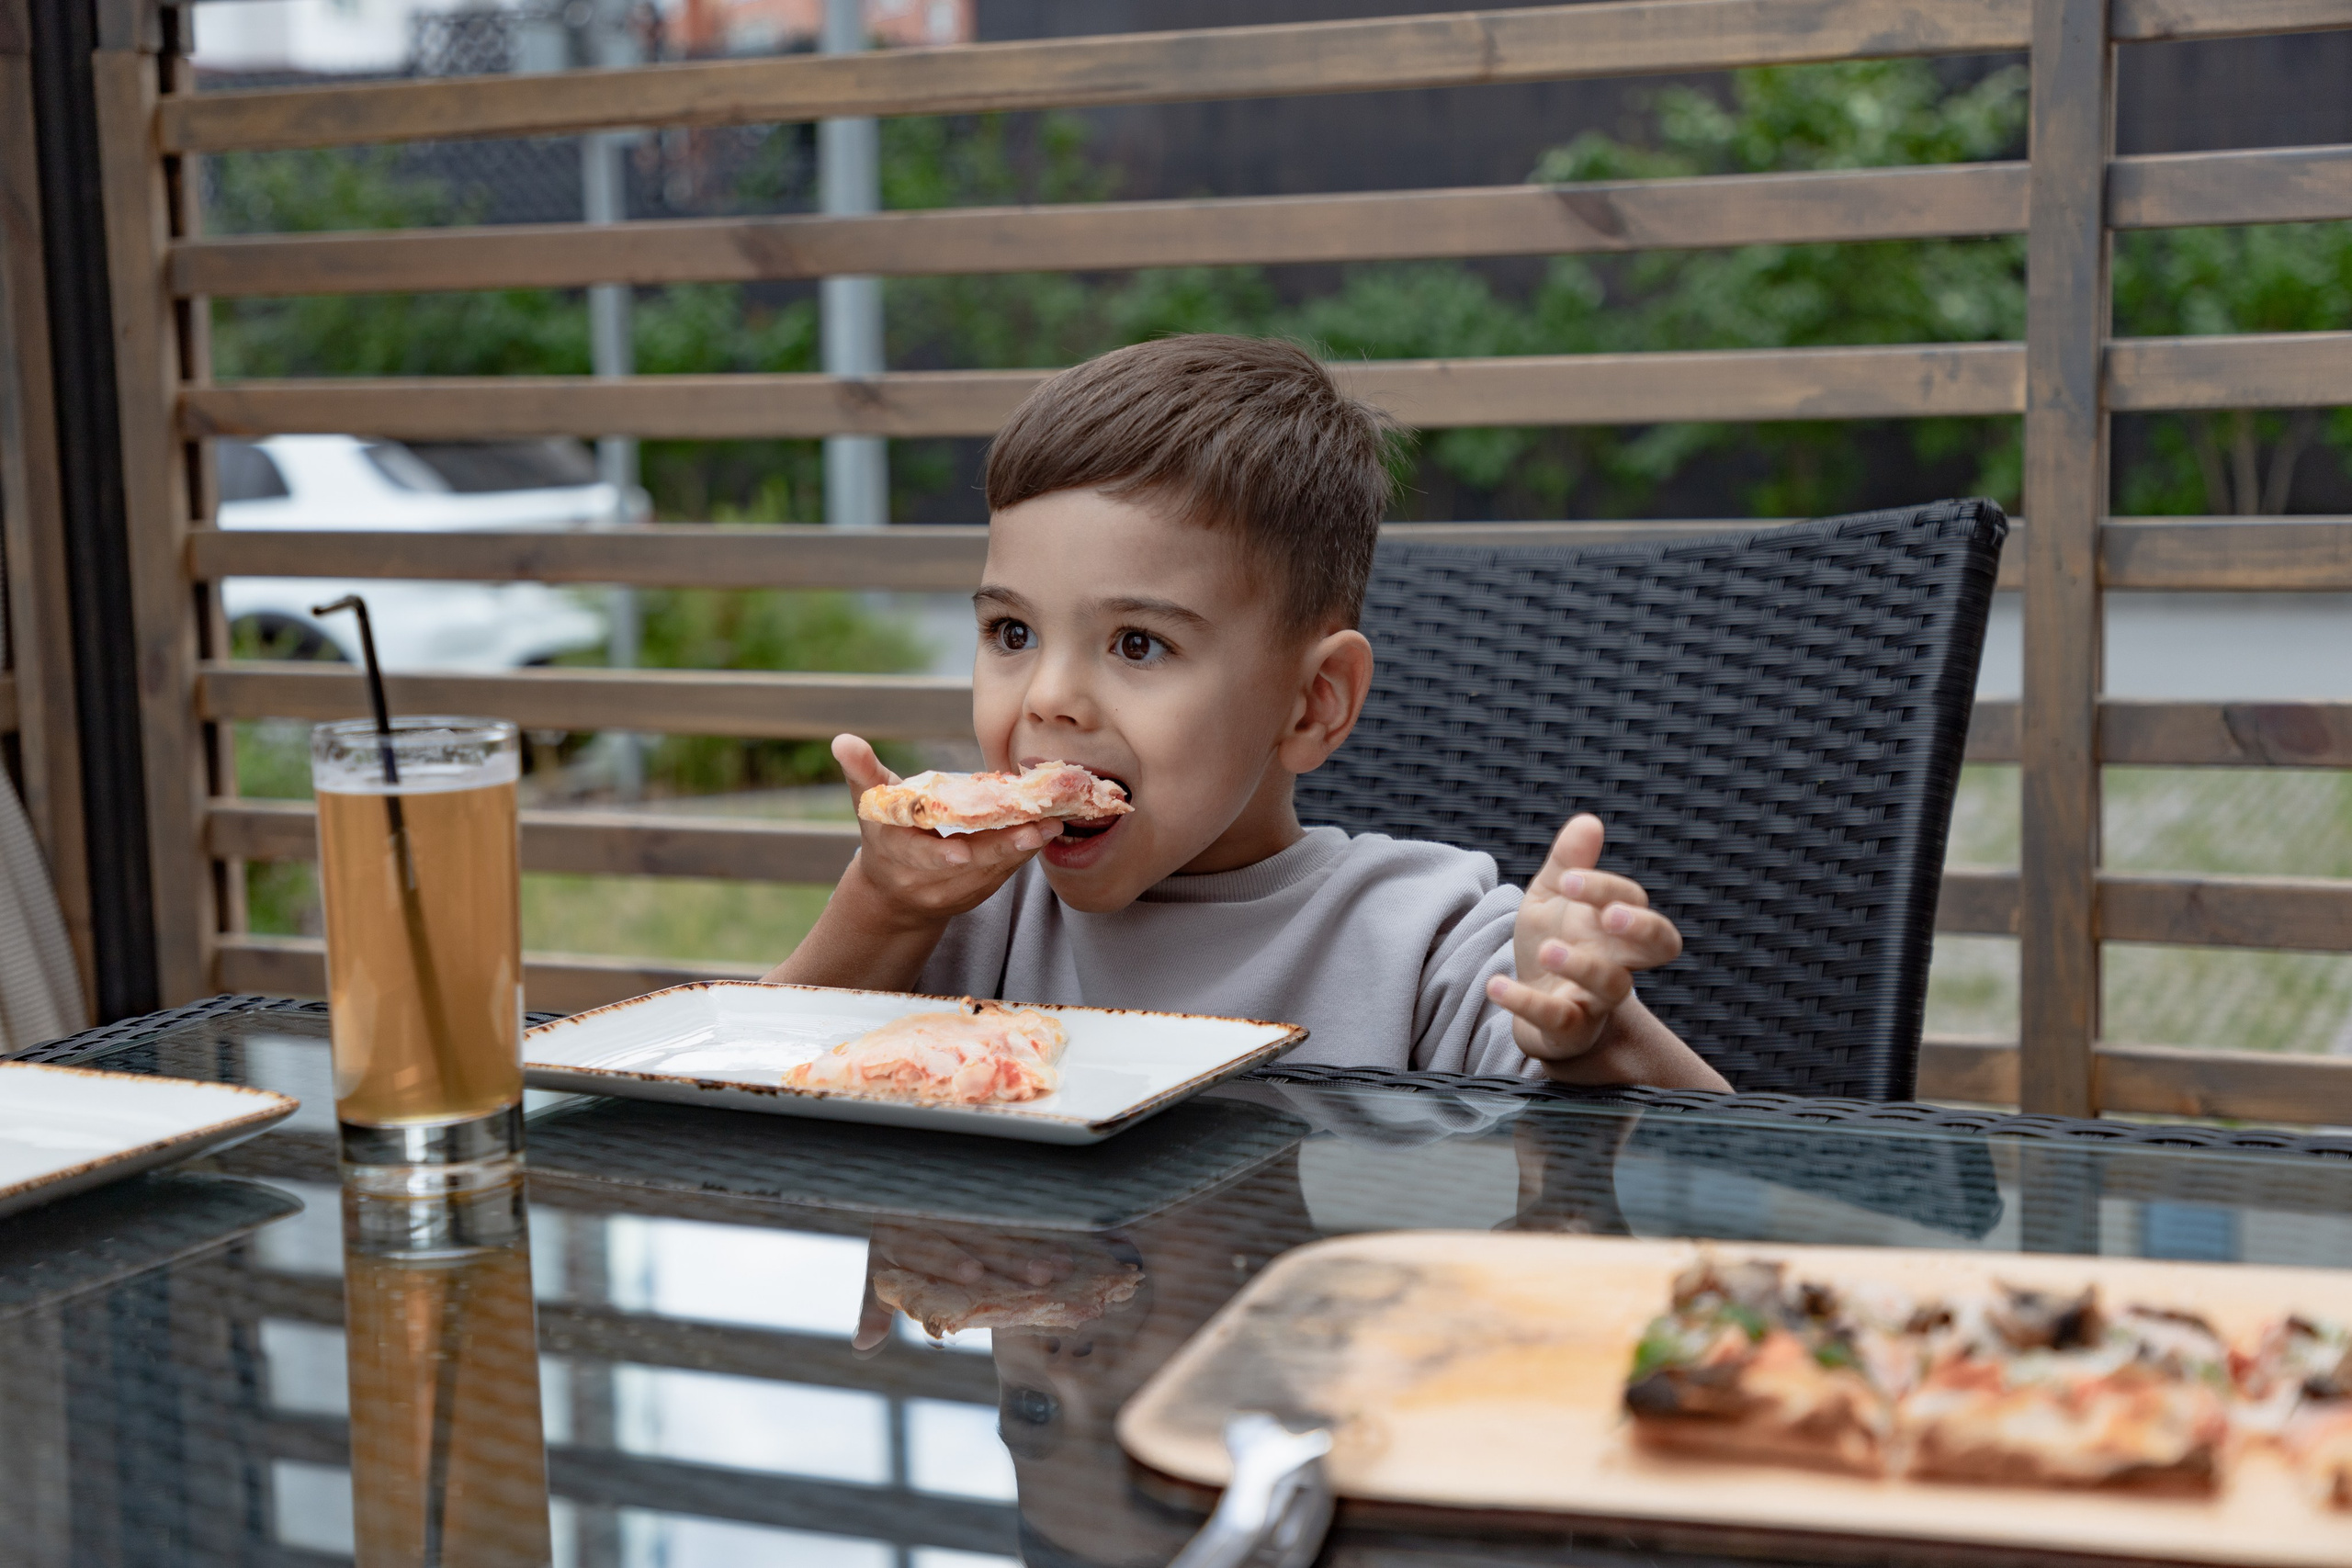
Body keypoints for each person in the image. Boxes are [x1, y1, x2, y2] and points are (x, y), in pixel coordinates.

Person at [769, 333, 1730, 1090]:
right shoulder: (973, 914)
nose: (1049, 698)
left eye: (1137, 643)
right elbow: (750, 1092)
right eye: (1012, 633)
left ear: (1312, 704)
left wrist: (1592, 1034)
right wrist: (880, 905)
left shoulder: (1426, 939)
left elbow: (1713, 1160)